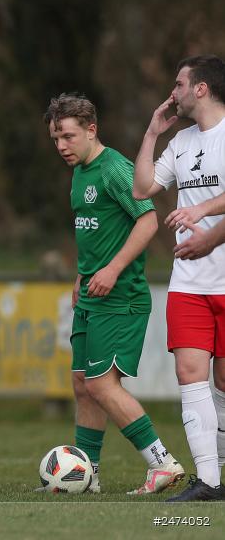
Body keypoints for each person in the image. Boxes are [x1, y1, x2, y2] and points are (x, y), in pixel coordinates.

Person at [44, 93, 184, 495]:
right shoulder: (80, 171)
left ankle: (163, 463)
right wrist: (81, 274)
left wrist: (112, 268)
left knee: (102, 385)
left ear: (92, 130)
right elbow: (96, 229)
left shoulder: (115, 170)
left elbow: (148, 220)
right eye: (56, 139)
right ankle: (86, 474)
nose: (62, 147)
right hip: (91, 294)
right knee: (81, 383)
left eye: (68, 137)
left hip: (121, 297)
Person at [133, 55, 225, 501]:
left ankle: (221, 472)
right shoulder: (183, 140)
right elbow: (143, 188)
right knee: (190, 375)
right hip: (188, 281)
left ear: (202, 88)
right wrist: (153, 132)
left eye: (179, 85)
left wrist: (203, 212)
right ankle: (207, 481)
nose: (174, 93)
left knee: (224, 384)